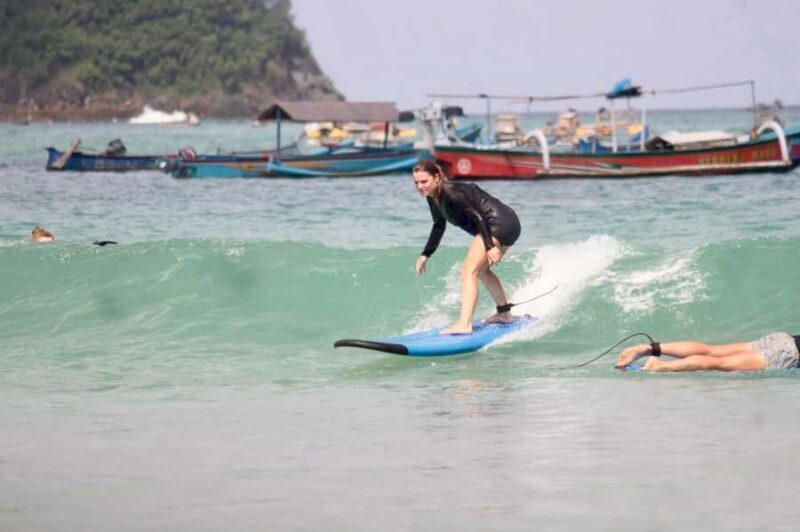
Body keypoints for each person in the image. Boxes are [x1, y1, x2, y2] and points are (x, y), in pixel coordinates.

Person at [412, 160, 521, 335]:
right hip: (509, 223)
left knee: (468, 271)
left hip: (497, 223)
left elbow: (479, 217)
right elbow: (439, 225)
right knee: (481, 270)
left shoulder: (451, 193)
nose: (420, 186)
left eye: (424, 182)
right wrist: (426, 254)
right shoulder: (433, 197)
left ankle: (464, 323)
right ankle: (504, 313)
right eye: (416, 182)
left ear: (437, 178)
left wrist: (489, 246)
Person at [615, 332, 800, 372]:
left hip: (783, 339)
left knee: (713, 351)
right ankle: (661, 365)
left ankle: (649, 349)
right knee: (719, 364)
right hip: (788, 353)